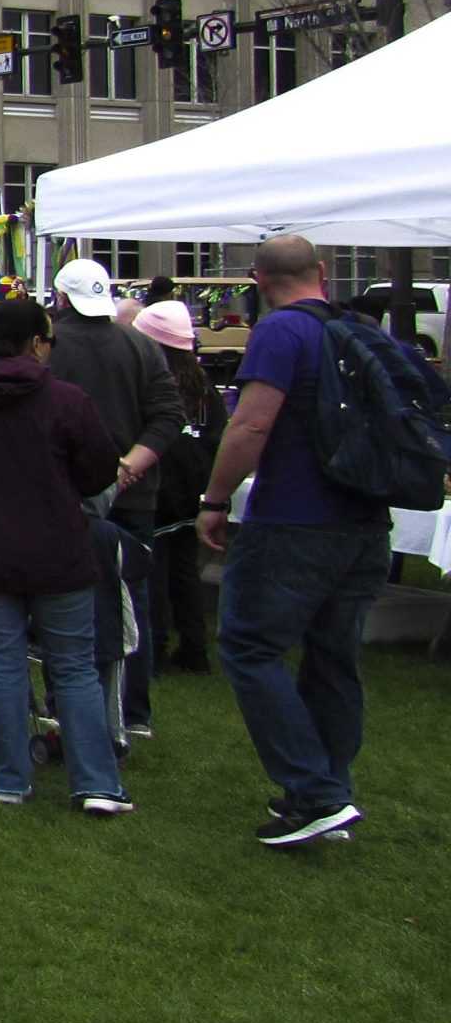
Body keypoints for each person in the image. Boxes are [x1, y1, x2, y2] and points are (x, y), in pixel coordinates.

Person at [197, 236, 393, 848]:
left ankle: (315, 792)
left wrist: (214, 498)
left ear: (257, 279)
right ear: (323, 272)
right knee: (334, 657)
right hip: (363, 519)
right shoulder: (361, 330)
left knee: (249, 646)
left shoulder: (281, 333)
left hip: (295, 518)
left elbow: (252, 422)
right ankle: (330, 790)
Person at [0, 295, 135, 815]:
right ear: (34, 344)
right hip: (57, 552)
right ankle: (96, 784)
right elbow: (98, 472)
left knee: (4, 666)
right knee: (73, 668)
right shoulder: (66, 401)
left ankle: (11, 780)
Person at [48, 257, 185, 740]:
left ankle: (67, 704)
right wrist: (131, 464)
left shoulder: (50, 347)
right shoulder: (143, 346)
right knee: (132, 600)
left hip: (66, 494)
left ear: (61, 299)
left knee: (65, 598)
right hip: (134, 489)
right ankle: (134, 711)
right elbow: (168, 414)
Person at [133, 300, 225, 674]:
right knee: (185, 571)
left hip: (156, 486)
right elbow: (216, 436)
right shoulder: (203, 386)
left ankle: (152, 649)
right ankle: (194, 647)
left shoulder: (150, 382)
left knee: (151, 570)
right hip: (193, 491)